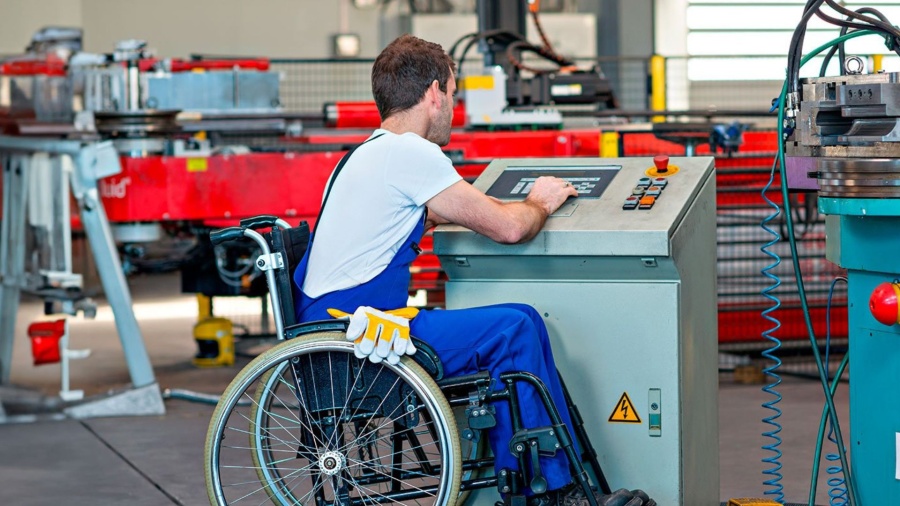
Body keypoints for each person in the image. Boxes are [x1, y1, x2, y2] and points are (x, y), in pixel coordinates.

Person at [293, 34, 654, 506]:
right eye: (454, 94)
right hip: (360, 341)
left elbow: (418, 214)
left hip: (334, 334)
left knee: (520, 319)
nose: (453, 108)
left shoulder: (362, 156)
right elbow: (508, 230)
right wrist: (539, 202)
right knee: (513, 329)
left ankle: (535, 476)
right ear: (434, 93)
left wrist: (475, 208)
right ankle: (548, 490)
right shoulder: (411, 153)